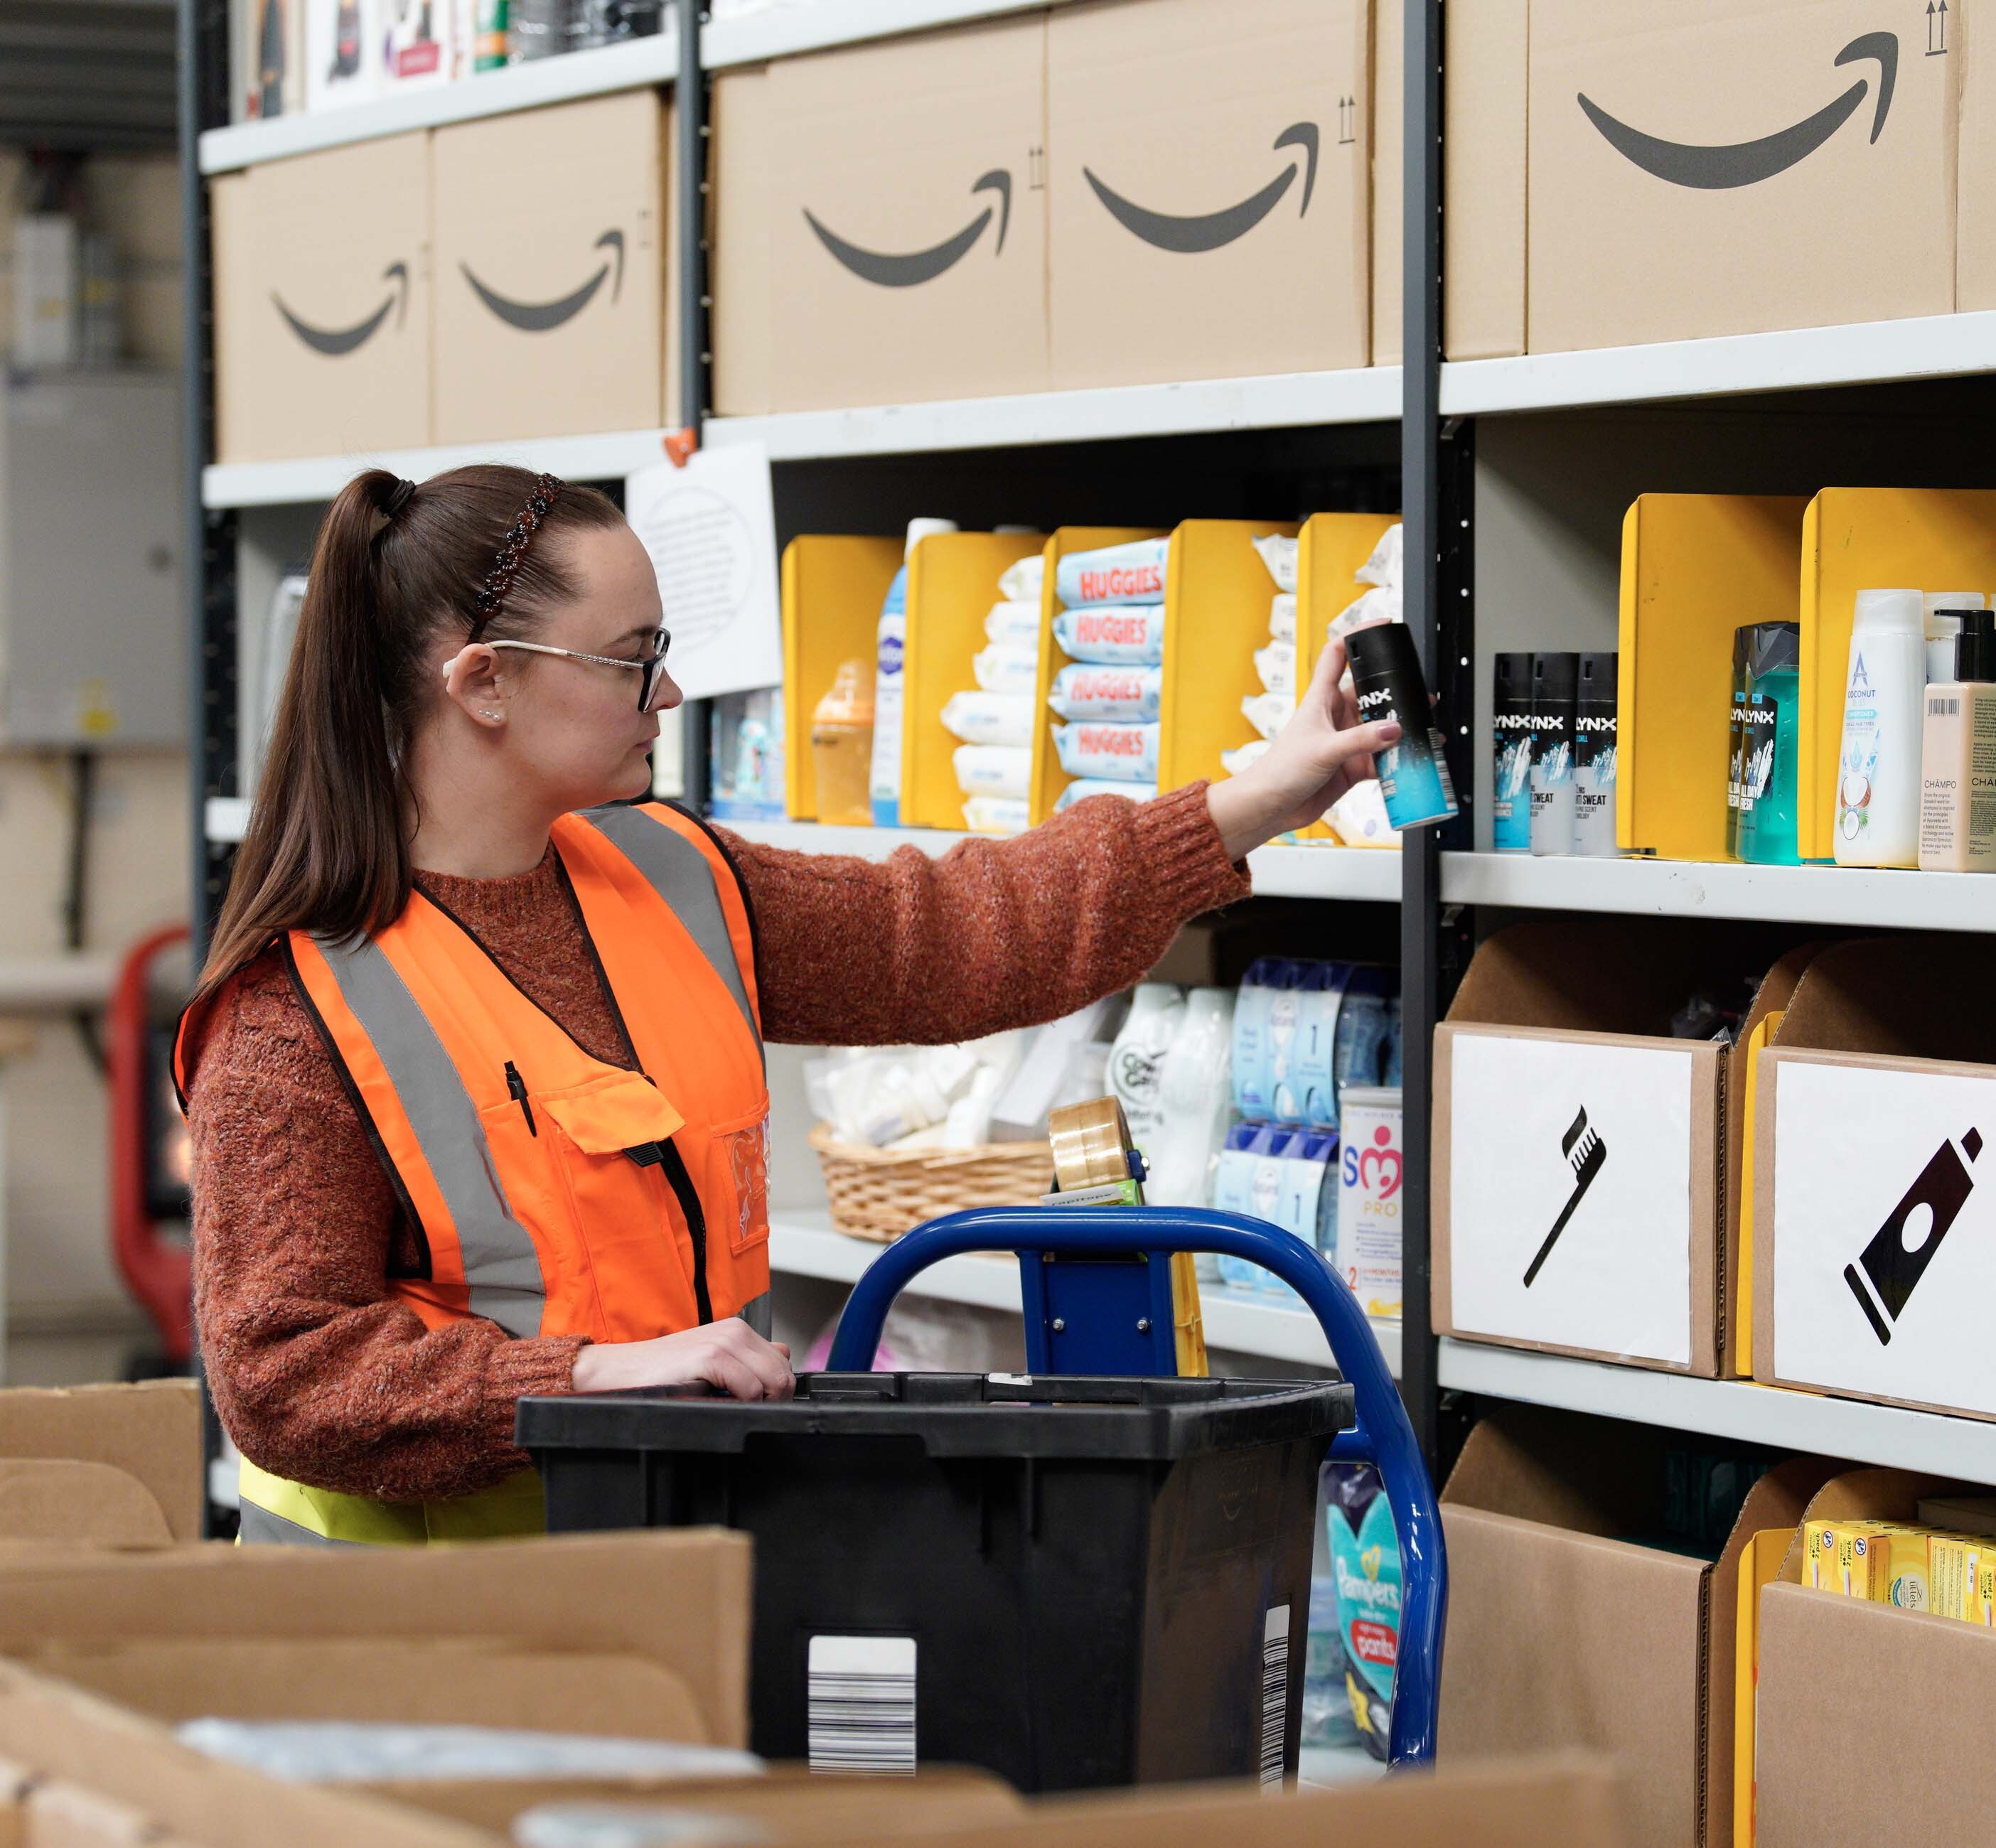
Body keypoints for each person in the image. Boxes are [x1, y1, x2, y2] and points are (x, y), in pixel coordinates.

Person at [176, 465, 1401, 1544]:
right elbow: (283, 1375)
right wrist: (592, 1378)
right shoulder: (294, 1013)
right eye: (633, 658)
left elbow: (956, 938)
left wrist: (1255, 802)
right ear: (483, 684)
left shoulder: (670, 876)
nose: (667, 697)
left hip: (666, 1576)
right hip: (426, 1662)